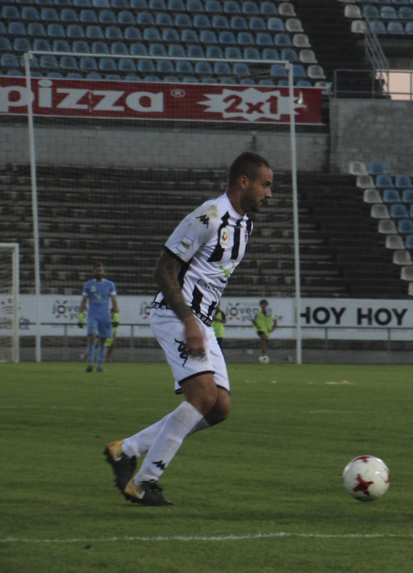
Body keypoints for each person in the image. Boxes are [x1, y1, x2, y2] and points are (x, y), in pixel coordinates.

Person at [103, 152, 273, 506]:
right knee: (202, 397)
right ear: (244, 182)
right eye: (266, 184)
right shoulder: (207, 216)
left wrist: (202, 321)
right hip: (176, 315)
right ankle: (143, 482)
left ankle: (126, 450)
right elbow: (164, 271)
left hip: (202, 321)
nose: (269, 193)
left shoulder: (245, 225)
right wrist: (189, 322)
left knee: (219, 408)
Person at [78, 263, 118, 373]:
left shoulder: (110, 284)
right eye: (97, 270)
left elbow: (114, 300)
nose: (99, 272)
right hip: (93, 315)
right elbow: (83, 300)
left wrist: (116, 315)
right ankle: (90, 364)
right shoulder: (88, 285)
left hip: (105, 316)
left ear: (103, 272)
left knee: (103, 341)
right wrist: (81, 316)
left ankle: (99, 366)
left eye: (100, 270)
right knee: (92, 337)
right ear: (93, 272)